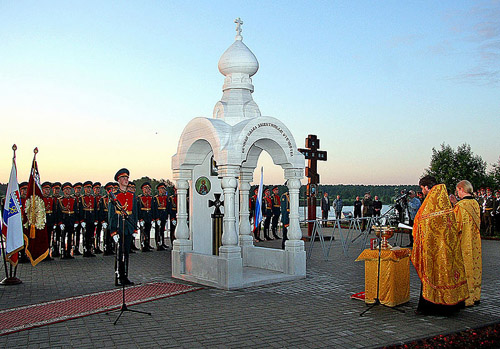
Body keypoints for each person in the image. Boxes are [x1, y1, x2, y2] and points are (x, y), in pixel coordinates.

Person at [411, 175, 468, 316]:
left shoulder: (430, 205)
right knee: (448, 275)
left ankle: (432, 307)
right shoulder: (444, 201)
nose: (422, 192)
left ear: (426, 187)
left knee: (433, 276)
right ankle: (452, 305)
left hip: (434, 250)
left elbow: (423, 224)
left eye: (422, 189)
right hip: (448, 248)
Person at [453, 180, 481, 307]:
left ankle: (466, 298)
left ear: (461, 189)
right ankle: (476, 295)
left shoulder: (461, 206)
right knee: (475, 266)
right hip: (475, 240)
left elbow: (456, 226)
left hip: (464, 241)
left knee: (465, 267)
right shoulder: (475, 203)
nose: (457, 193)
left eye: (457, 190)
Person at [109, 168, 138, 286]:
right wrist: (113, 232)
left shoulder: (132, 195)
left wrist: (135, 228)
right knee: (119, 253)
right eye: (124, 178)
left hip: (128, 227)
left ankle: (125, 276)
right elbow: (111, 215)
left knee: (126, 253)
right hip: (119, 226)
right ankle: (119, 276)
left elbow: (135, 213)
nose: (126, 180)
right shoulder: (114, 196)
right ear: (119, 180)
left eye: (127, 178)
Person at [58, 182, 77, 259]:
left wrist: (76, 221)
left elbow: (76, 211)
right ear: (63, 190)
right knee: (63, 237)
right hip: (64, 219)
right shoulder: (60, 200)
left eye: (69, 189)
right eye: (66, 189)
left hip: (71, 219)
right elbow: (58, 212)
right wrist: (60, 222)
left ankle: (68, 252)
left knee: (70, 236)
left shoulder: (73, 199)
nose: (68, 191)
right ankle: (63, 252)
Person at [80, 181, 96, 257]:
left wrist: (96, 219)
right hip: (85, 219)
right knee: (85, 236)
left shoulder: (93, 198)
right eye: (87, 188)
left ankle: (90, 249)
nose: (88, 190)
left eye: (90, 188)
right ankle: (85, 250)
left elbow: (95, 209)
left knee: (91, 235)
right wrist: (82, 220)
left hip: (91, 219)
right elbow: (80, 210)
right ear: (84, 189)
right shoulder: (82, 198)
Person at [137, 182, 154, 252]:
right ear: (142, 189)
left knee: (148, 231)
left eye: (148, 188)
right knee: (143, 232)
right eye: (145, 188)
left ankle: (147, 244)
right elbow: (138, 209)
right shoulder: (140, 198)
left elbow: (153, 208)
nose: (147, 190)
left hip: (149, 216)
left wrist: (153, 218)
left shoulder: (151, 198)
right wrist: (140, 219)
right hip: (143, 216)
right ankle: (143, 245)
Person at [153, 183, 169, 250]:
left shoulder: (166, 198)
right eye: (162, 189)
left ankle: (162, 243)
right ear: (158, 189)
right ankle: (158, 243)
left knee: (162, 230)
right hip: (158, 216)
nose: (163, 190)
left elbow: (167, 207)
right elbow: (155, 209)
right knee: (158, 230)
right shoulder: (156, 198)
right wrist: (156, 218)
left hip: (164, 215)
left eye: (164, 189)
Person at [41, 182, 55, 260]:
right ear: (42, 190)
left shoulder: (50, 199)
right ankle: (42, 255)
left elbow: (53, 211)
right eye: (46, 189)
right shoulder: (39, 199)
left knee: (49, 238)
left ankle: (47, 254)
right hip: (42, 222)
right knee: (42, 239)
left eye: (48, 189)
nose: (47, 191)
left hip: (49, 222)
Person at [72, 182, 83, 256]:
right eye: (77, 189)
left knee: (78, 235)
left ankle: (77, 248)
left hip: (81, 219)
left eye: (79, 189)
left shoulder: (82, 198)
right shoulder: (72, 198)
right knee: (73, 235)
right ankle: (73, 248)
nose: (78, 190)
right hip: (74, 219)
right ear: (74, 189)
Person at [92, 182, 103, 254]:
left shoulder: (101, 198)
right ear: (93, 189)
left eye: (99, 188)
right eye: (96, 188)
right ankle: (93, 247)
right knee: (93, 234)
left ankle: (98, 246)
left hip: (99, 217)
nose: (98, 190)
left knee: (98, 233)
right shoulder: (92, 198)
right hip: (93, 217)